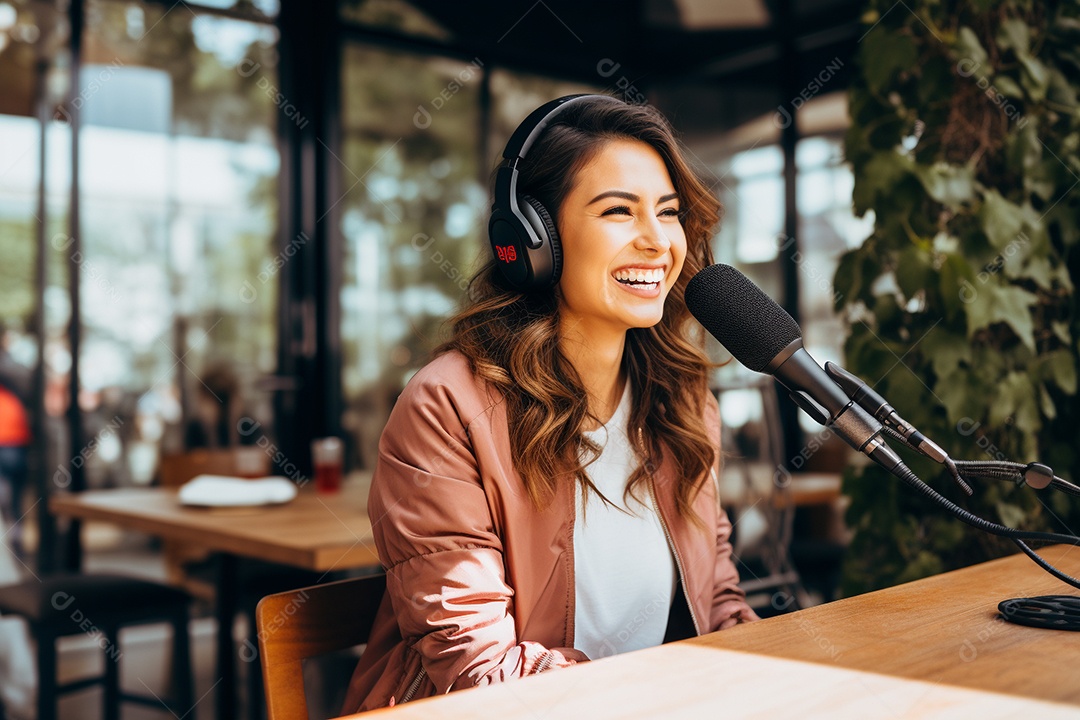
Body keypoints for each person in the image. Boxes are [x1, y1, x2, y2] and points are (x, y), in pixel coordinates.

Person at [342, 94, 757, 713]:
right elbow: (481, 673)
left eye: (667, 213)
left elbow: (716, 600)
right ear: (534, 239)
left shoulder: (683, 402)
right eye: (619, 210)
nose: (656, 241)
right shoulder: (447, 406)